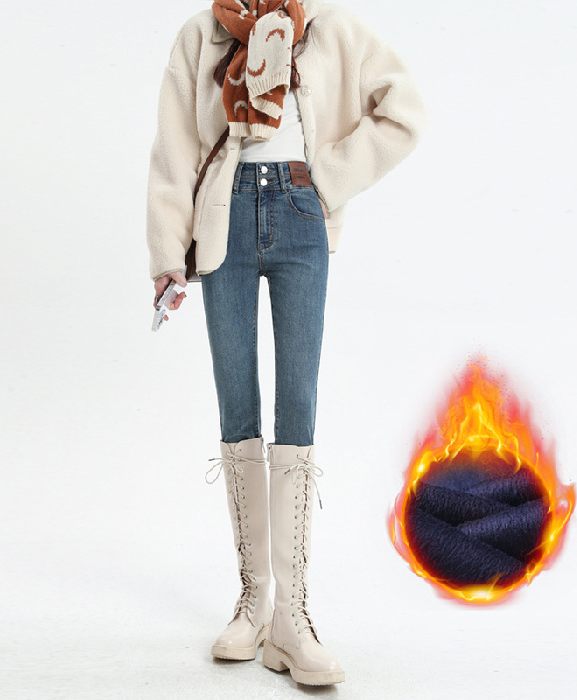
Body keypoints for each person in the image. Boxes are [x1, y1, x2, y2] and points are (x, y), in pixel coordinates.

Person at [147, 0, 426, 686]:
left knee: (297, 405)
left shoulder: (332, 27)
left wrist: (327, 176)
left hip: (302, 210)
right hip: (223, 219)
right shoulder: (203, 33)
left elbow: (403, 110)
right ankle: (254, 603)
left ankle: (291, 618)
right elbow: (175, 148)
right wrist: (167, 253)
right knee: (236, 404)